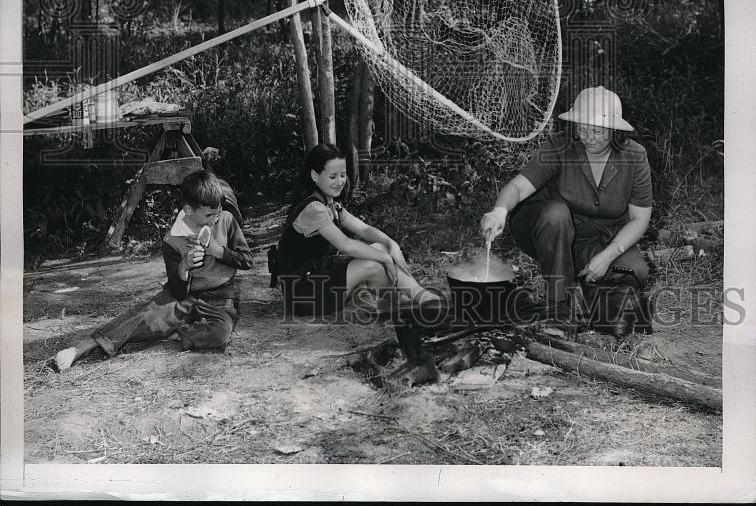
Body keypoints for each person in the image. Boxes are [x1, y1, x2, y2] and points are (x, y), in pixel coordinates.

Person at [480, 87, 653, 337]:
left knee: (636, 271)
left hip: (601, 238)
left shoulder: (635, 156)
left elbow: (640, 219)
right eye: (582, 128)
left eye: (597, 131)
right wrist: (499, 211)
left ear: (614, 130)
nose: (588, 137)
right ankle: (559, 309)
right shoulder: (559, 146)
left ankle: (584, 293)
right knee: (556, 213)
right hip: (551, 230)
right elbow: (518, 187)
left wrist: (605, 258)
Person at [54, 169, 252, 371]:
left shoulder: (226, 220)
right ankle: (85, 346)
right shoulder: (173, 240)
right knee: (144, 316)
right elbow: (177, 291)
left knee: (220, 334)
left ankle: (180, 332)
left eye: (217, 212)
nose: (214, 219)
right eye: (209, 215)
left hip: (220, 300)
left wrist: (219, 252)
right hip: (185, 298)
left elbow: (246, 260)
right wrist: (184, 267)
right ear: (189, 210)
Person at [274, 142, 439, 319]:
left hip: (318, 277)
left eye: (343, 175)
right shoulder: (313, 209)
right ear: (315, 175)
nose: (340, 182)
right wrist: (385, 258)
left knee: (379, 248)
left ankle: (414, 298)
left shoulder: (330, 204)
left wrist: (392, 245)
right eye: (332, 177)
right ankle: (411, 299)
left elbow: (365, 230)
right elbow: (346, 245)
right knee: (372, 264)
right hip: (305, 294)